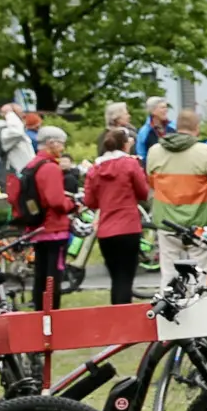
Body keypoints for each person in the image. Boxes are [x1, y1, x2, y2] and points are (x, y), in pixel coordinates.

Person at [145, 109, 207, 267]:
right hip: (201, 225)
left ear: (177, 127)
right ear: (196, 128)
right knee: (203, 274)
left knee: (170, 274)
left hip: (167, 224)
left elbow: (152, 183)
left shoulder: (155, 152)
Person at [79, 127, 150, 304]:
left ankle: (115, 313)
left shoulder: (95, 169)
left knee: (116, 278)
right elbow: (143, 192)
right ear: (125, 145)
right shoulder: (130, 164)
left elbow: (89, 201)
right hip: (128, 227)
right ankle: (124, 315)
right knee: (126, 277)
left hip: (106, 230)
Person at [18, 125, 77, 310]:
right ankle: (52, 314)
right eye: (61, 144)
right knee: (53, 277)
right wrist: (72, 204)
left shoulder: (31, 165)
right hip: (54, 229)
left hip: (37, 228)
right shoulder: (50, 168)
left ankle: (40, 313)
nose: (63, 149)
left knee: (40, 275)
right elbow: (56, 201)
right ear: (52, 143)